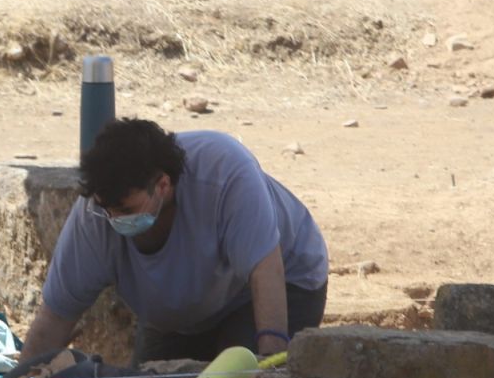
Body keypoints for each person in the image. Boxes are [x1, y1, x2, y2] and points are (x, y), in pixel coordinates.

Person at [21, 118, 328, 365]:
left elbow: (266, 268)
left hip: (275, 285)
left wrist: (269, 363)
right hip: (181, 310)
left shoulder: (225, 172)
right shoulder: (95, 214)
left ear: (163, 185)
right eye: (106, 210)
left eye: (126, 210)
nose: (114, 221)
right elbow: (55, 315)